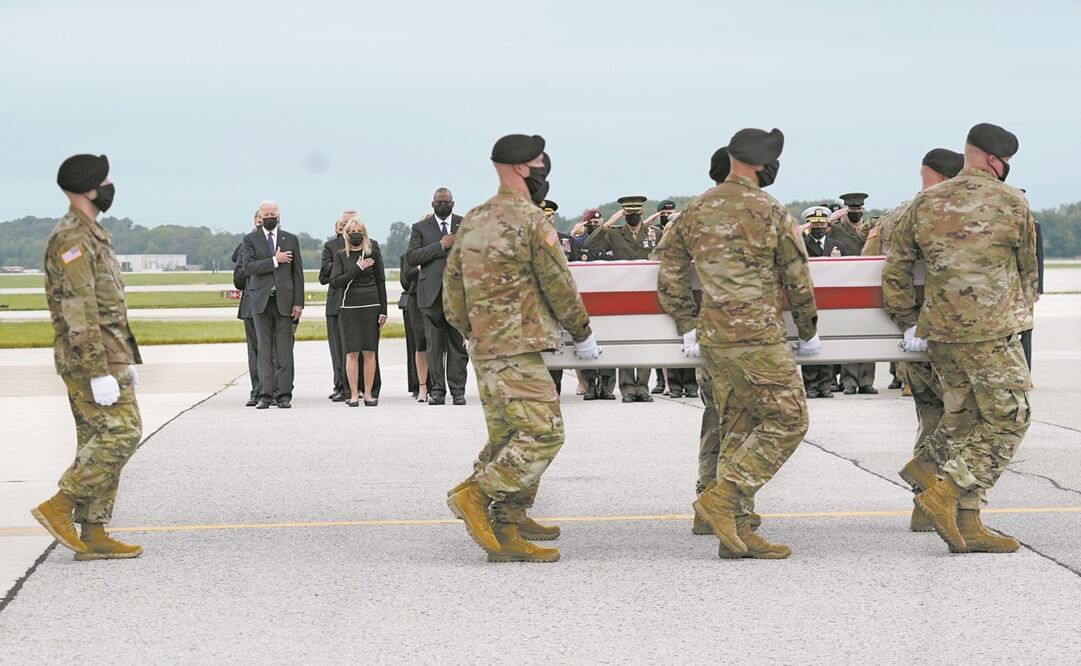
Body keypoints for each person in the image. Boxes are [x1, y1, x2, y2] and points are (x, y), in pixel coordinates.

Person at [656, 127, 819, 559]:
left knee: (738, 425)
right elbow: (797, 276)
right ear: (764, 165)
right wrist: (807, 328)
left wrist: (686, 322)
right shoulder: (769, 209)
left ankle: (739, 530)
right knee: (789, 420)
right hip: (758, 337)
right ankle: (723, 498)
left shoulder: (695, 211)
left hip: (713, 336)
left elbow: (668, 267)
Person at [444, 134, 600, 563]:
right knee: (544, 433)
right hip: (518, 343)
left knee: (509, 435)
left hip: (484, 344)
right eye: (536, 161)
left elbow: (451, 286)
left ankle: (508, 524)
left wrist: (468, 329)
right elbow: (558, 283)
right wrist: (582, 334)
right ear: (517, 168)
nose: (542, 165)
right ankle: (477, 495)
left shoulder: (474, 219)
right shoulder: (531, 220)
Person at [883, 122, 1037, 554]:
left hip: (939, 332)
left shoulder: (926, 202)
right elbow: (1026, 269)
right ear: (994, 160)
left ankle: (967, 521)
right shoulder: (1011, 202)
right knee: (1011, 417)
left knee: (965, 420)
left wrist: (908, 320)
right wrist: (1019, 314)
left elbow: (896, 268)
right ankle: (943, 490)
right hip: (990, 330)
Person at [31, 153, 144, 560]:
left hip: (110, 355)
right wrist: (99, 371)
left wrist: (123, 360)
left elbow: (107, 303)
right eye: (106, 179)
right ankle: (59, 506)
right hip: (89, 360)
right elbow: (79, 309)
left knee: (97, 440)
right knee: (122, 434)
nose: (111, 185)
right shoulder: (72, 238)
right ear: (88, 188)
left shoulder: (92, 232)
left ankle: (93, 532)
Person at [864, 147, 964, 532]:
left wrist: (904, 324)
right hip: (948, 332)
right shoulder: (952, 212)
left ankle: (925, 509)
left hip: (908, 339)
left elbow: (868, 269)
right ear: (946, 178)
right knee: (961, 417)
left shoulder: (892, 218)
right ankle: (942, 505)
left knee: (931, 416)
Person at [588, 195, 661, 402]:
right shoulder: (615, 234)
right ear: (624, 214)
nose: (632, 216)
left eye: (635, 213)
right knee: (628, 342)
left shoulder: (655, 233)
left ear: (642, 213)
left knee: (647, 341)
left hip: (648, 294)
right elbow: (591, 246)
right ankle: (628, 389)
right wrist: (607, 224)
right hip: (624, 294)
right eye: (628, 213)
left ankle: (643, 388)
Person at [406, 188, 469, 405]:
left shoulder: (465, 224)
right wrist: (441, 245)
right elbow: (413, 257)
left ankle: (458, 391)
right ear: (432, 204)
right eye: (439, 202)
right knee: (434, 346)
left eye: (446, 201)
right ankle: (437, 390)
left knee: (457, 346)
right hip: (430, 295)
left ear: (453, 203)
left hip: (458, 295)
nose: (443, 204)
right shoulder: (420, 228)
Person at [240, 201, 305, 409]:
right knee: (264, 351)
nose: (269, 216)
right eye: (265, 213)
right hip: (260, 302)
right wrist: (275, 260)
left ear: (279, 215)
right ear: (260, 215)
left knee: (284, 351)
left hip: (285, 302)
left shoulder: (290, 239)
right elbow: (249, 267)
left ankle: (284, 394)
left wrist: (299, 303)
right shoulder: (250, 240)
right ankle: (265, 395)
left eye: (272, 213)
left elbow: (298, 273)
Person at [330, 217, 387, 406]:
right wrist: (357, 268)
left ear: (364, 233)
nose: (356, 234)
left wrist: (383, 309)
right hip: (349, 308)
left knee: (370, 352)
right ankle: (354, 394)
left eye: (359, 230)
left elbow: (381, 281)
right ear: (346, 234)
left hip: (371, 306)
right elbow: (336, 282)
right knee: (351, 353)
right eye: (352, 231)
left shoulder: (372, 252)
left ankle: (369, 394)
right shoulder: (340, 255)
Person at [650, 200, 697, 399]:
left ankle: (690, 385)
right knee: (674, 344)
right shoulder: (667, 242)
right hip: (673, 302)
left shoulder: (697, 242)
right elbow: (654, 261)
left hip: (693, 301)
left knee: (693, 345)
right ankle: (675, 386)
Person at [569, 209, 617, 400]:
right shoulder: (578, 243)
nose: (595, 224)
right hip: (586, 300)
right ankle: (589, 384)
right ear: (585, 224)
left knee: (608, 342)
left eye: (598, 222)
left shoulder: (611, 240)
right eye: (591, 222)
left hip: (608, 299)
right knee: (587, 341)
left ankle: (606, 385)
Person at [800, 205, 842, 399]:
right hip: (809, 298)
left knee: (828, 341)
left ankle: (826, 383)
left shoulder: (837, 245)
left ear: (828, 225)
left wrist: (837, 260)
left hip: (831, 300)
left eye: (822, 224)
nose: (818, 228)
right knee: (810, 339)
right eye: (814, 225)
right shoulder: (802, 244)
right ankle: (811, 384)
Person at [319, 211, 352, 402]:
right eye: (343, 224)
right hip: (336, 303)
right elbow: (324, 276)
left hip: (359, 303)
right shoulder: (330, 246)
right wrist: (343, 261)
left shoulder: (369, 245)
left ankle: (358, 385)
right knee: (337, 348)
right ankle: (340, 385)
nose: (346, 227)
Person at [232, 211, 264, 406]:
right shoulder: (245, 245)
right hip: (251, 303)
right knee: (255, 352)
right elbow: (238, 280)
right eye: (258, 222)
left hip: (273, 303)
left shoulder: (281, 243)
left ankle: (276, 389)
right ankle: (257, 390)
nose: (262, 225)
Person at [400, 254, 429, 401]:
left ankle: (437, 384)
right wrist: (420, 267)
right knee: (419, 344)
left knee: (437, 345)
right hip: (415, 301)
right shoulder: (407, 257)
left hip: (436, 299)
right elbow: (405, 282)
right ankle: (419, 385)